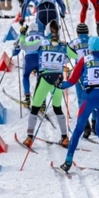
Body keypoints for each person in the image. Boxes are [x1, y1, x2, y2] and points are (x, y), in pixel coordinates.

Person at [59, 35, 99, 172]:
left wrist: (60, 85)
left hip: (89, 97)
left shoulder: (84, 60)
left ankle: (68, 161)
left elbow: (72, 80)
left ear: (89, 47)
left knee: (78, 129)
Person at [21, 20, 74, 148]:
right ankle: (64, 138)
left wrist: (23, 34)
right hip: (58, 82)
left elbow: (24, 46)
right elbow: (73, 56)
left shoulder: (42, 42)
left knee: (34, 109)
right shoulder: (62, 45)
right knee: (58, 109)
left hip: (44, 79)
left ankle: (29, 138)